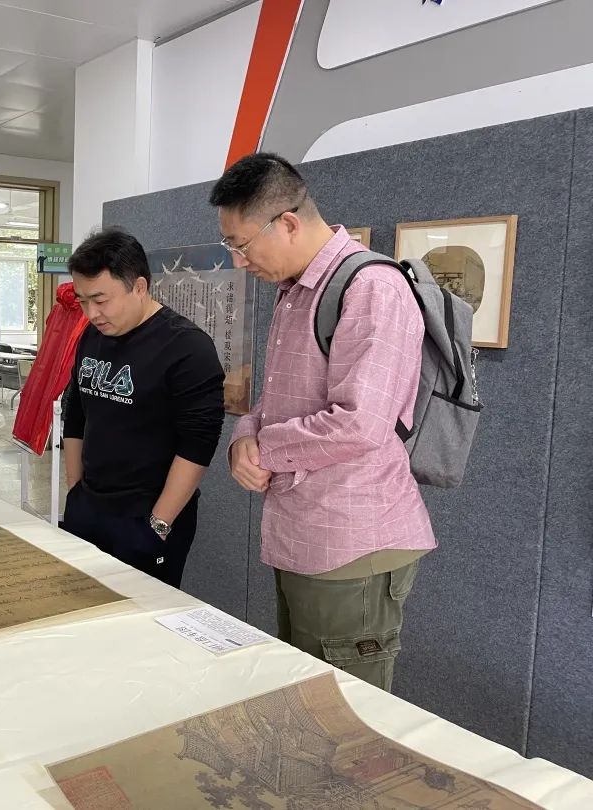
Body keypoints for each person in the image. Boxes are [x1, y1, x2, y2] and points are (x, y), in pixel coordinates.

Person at [213, 153, 435, 692]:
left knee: (348, 708)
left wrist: (265, 448)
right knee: (305, 692)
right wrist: (244, 437)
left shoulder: (371, 287)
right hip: (303, 532)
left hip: (353, 543)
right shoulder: (295, 290)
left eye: (242, 244)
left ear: (287, 222)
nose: (239, 260)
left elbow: (361, 423)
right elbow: (277, 401)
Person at [61, 228, 225, 588]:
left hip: (146, 517)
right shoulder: (92, 336)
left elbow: (198, 446)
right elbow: (75, 414)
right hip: (89, 506)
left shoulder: (187, 348)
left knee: (140, 614)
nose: (91, 313)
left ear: (139, 286)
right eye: (83, 300)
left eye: (101, 300)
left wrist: (158, 525)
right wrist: (75, 491)